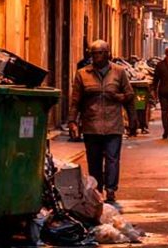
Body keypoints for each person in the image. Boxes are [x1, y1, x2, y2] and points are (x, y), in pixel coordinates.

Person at [69, 40, 134, 208]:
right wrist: (72, 121)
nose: (96, 57)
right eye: (94, 54)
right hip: (91, 125)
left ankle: (111, 189)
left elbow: (129, 95)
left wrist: (131, 116)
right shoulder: (83, 74)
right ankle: (97, 189)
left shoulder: (119, 73)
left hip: (113, 124)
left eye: (99, 53)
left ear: (107, 54)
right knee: (94, 160)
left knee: (112, 159)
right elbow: (76, 100)